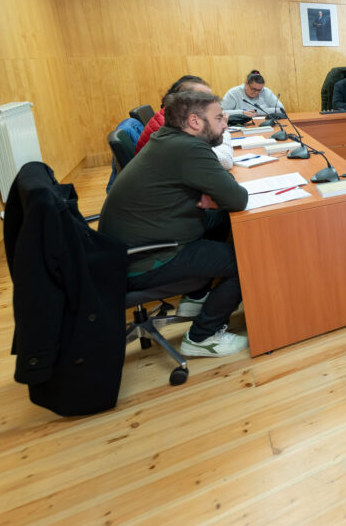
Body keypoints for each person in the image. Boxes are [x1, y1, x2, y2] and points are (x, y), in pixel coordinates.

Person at [100, 90, 250, 358]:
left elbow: (227, 194)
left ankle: (196, 298)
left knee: (221, 219)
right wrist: (218, 197)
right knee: (248, 260)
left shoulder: (169, 139)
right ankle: (203, 336)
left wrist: (217, 199)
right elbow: (238, 198)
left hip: (133, 247)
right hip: (145, 259)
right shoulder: (189, 149)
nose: (225, 124)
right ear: (194, 121)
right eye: (219, 118)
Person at [134, 75, 234, 169]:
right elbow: (224, 161)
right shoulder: (174, 125)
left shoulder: (175, 115)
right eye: (206, 100)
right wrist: (221, 126)